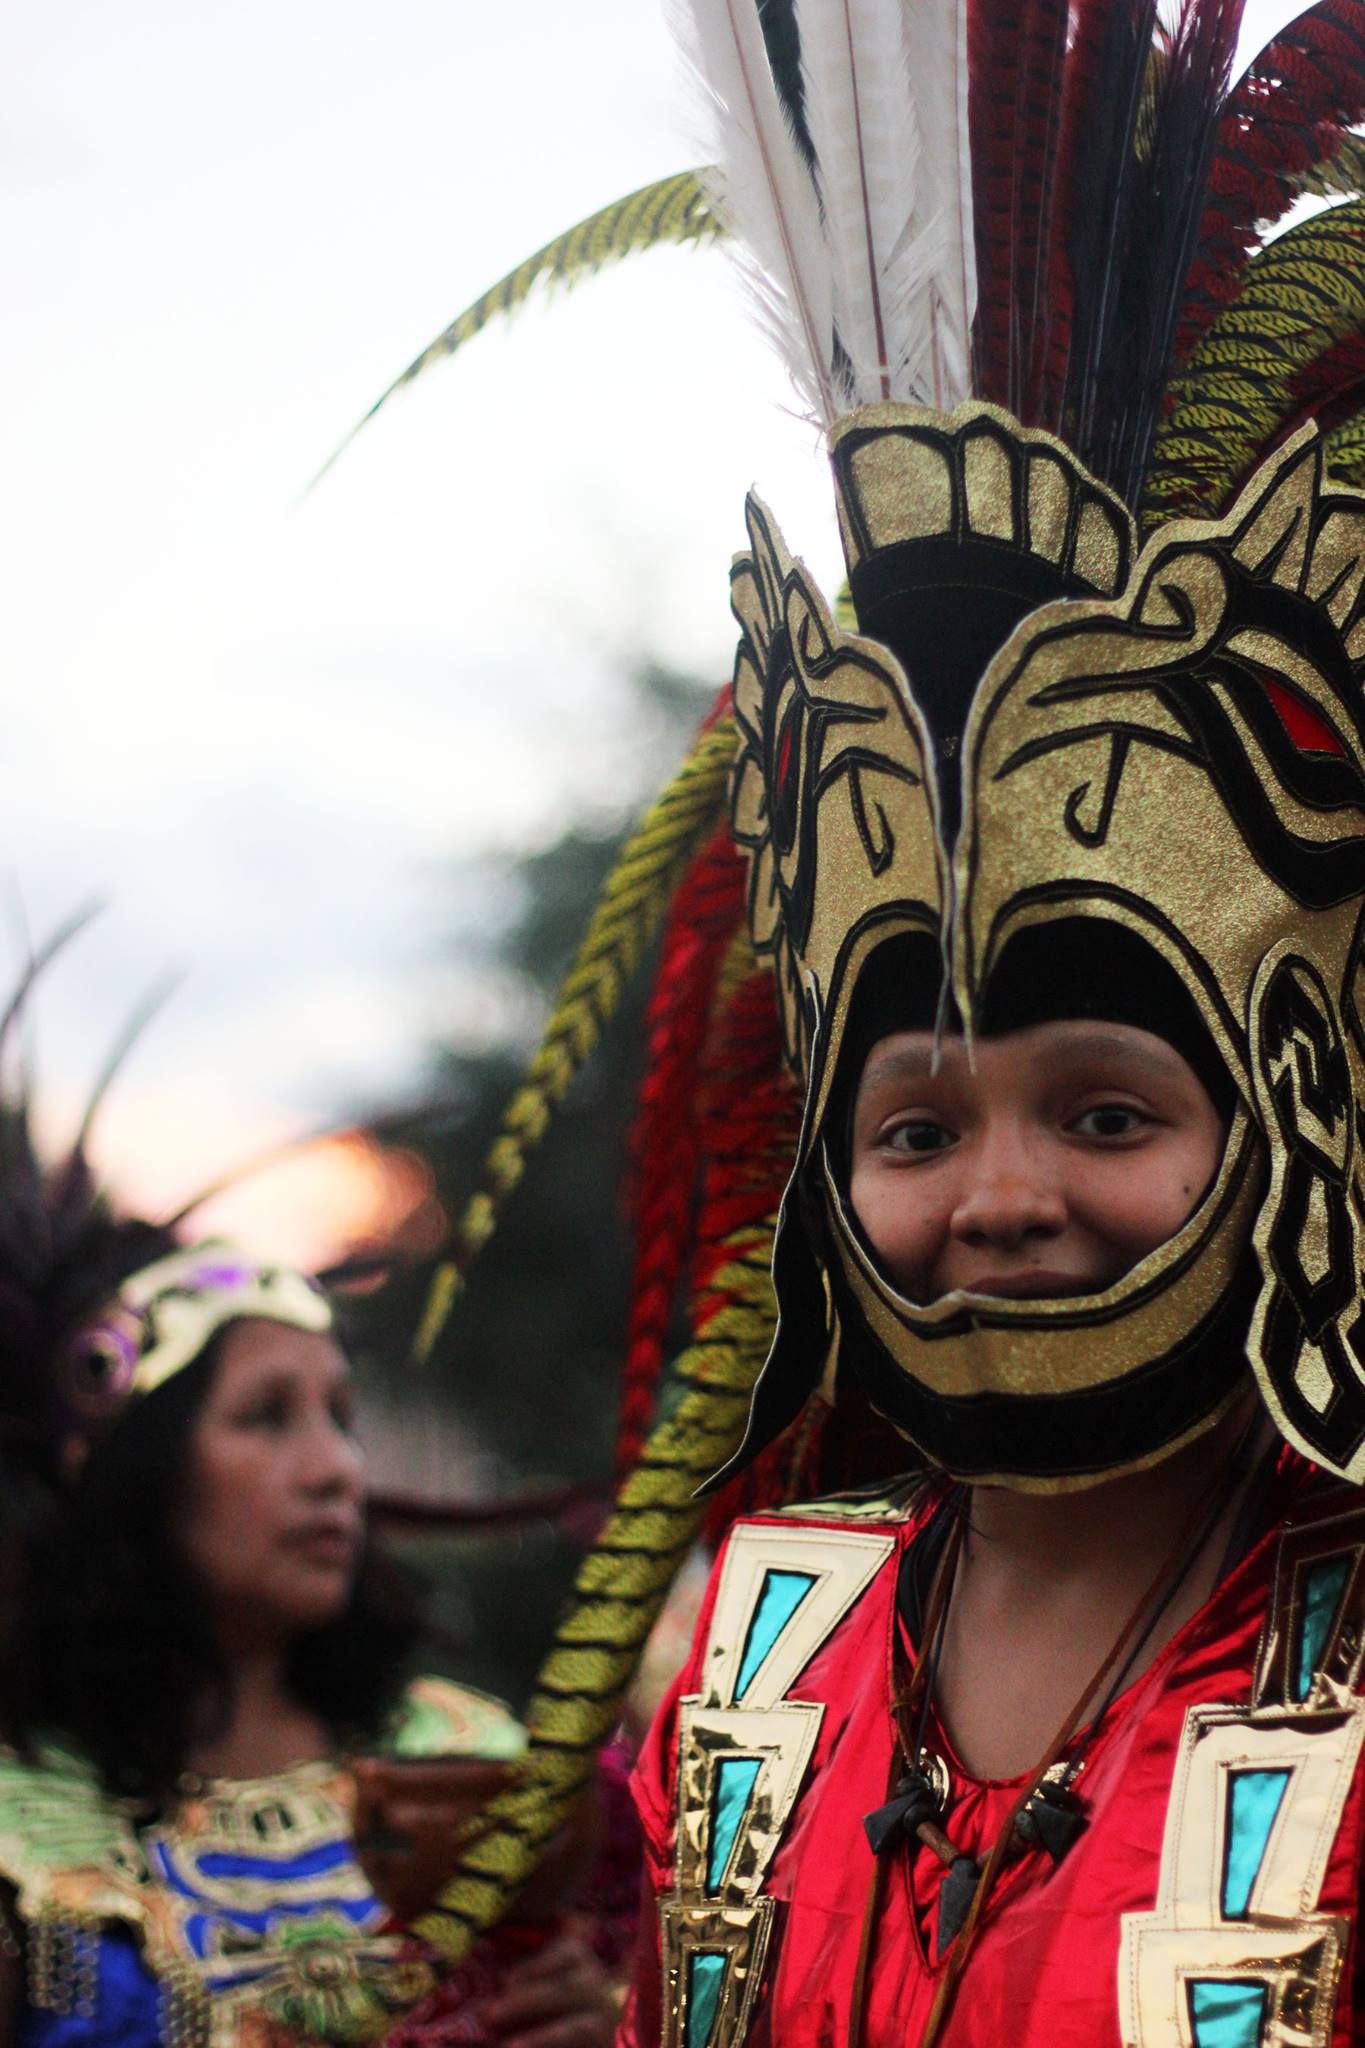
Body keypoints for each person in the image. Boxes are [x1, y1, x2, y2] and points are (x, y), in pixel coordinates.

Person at [375, 0, 1365, 2037]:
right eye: (914, 1127)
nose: (997, 1196)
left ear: (1294, 1101)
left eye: (1102, 1112)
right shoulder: (753, 1642)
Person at [0, 1170, 618, 2047]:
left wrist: (607, 2023)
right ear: (139, 1474)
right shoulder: (19, 1818)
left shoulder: (466, 1763)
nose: (336, 1469)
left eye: (340, 1416)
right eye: (266, 1416)